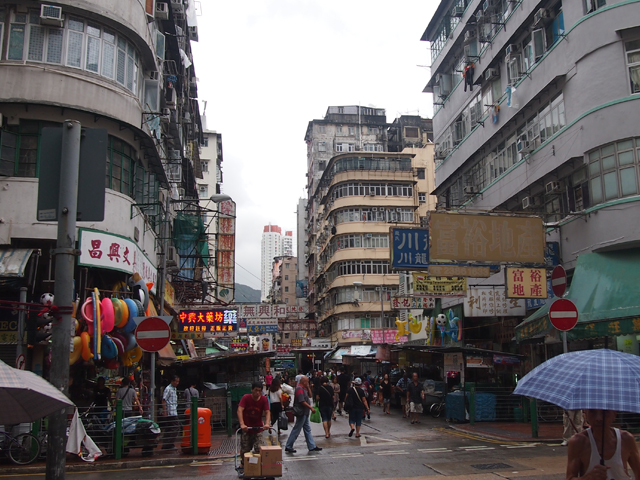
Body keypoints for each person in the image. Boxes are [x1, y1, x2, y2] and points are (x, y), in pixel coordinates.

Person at [566, 409, 640, 480]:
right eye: (592, 412)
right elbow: (570, 477)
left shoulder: (626, 439)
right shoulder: (578, 442)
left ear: (614, 414)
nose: (599, 418)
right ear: (585, 413)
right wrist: (588, 478)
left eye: (605, 412)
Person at [237, 382, 271, 475]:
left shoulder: (264, 399)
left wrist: (267, 423)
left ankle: (257, 466)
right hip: (247, 428)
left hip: (258, 427)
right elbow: (240, 410)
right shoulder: (246, 398)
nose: (257, 393)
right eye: (256, 390)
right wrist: (242, 424)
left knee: (259, 448)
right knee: (245, 449)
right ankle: (243, 465)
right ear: (252, 390)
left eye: (260, 391)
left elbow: (267, 412)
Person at [285, 376, 322, 454]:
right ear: (303, 382)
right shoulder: (299, 389)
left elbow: (310, 396)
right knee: (297, 429)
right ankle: (289, 445)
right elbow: (302, 401)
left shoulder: (304, 388)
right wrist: (310, 408)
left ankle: (311, 446)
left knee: (307, 429)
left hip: (305, 412)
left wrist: (308, 387)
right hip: (301, 412)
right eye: (307, 382)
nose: (308, 383)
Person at [161, 375, 180, 450]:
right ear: (172, 381)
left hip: (173, 410)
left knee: (169, 428)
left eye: (178, 381)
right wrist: (165, 411)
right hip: (170, 411)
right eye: (176, 381)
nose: (177, 383)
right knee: (175, 426)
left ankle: (166, 444)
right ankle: (169, 443)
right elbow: (164, 400)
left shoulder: (174, 389)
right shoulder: (168, 389)